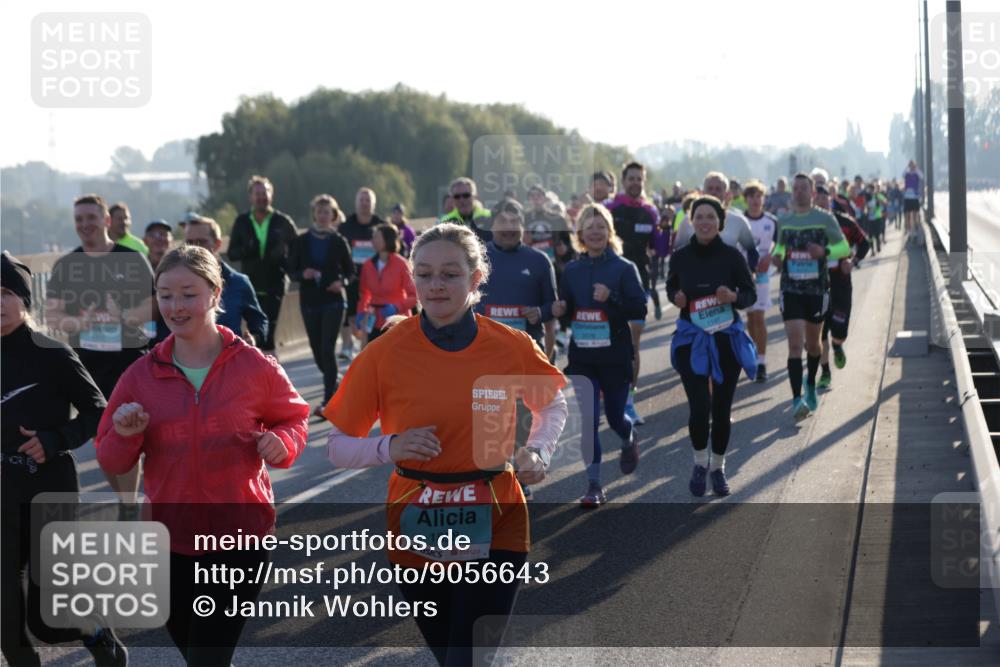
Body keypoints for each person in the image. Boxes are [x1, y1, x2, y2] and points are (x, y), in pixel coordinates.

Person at [323, 222, 567, 667]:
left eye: (450, 274)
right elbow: (336, 445)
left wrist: (539, 450)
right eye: (425, 274)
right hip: (416, 524)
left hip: (496, 516)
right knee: (449, 653)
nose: (436, 285)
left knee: (466, 658)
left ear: (476, 279)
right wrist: (389, 447)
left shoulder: (510, 346)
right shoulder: (384, 352)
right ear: (412, 278)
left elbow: (552, 406)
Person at [95, 245, 309, 666]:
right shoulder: (140, 376)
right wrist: (125, 435)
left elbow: (295, 418)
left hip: (239, 538)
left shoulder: (254, 366)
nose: (175, 306)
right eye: (165, 295)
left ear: (216, 294)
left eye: (188, 294)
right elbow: (111, 460)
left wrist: (283, 442)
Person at [1, 251, 129, 667]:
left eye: (5, 292)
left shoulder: (52, 353)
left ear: (24, 300)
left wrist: (54, 439)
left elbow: (99, 411)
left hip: (48, 489)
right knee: (6, 623)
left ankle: (96, 631)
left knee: (47, 619)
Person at [45, 194, 154, 512]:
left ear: (106, 221)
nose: (85, 224)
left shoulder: (132, 260)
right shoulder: (67, 266)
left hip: (128, 361)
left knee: (127, 432)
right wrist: (83, 321)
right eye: (79, 219)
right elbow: (52, 316)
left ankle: (129, 504)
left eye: (91, 218)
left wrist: (123, 317)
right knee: (103, 439)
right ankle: (126, 503)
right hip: (87, 365)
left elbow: (153, 306)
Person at [551, 204, 646, 507]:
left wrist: (611, 297)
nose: (595, 232)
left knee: (616, 418)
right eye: (589, 227)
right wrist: (561, 309)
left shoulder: (624, 268)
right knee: (589, 420)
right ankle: (594, 485)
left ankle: (628, 436)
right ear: (580, 233)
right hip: (583, 358)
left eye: (600, 227)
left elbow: (639, 308)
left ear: (609, 232)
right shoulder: (572, 270)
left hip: (615, 356)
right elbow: (568, 311)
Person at [667, 197, 758, 496]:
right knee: (699, 407)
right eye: (699, 217)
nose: (705, 222)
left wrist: (733, 297)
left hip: (725, 339)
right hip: (691, 339)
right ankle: (699, 463)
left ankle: (718, 468)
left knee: (720, 409)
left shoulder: (732, 257)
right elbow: (671, 286)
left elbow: (750, 294)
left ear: (720, 222)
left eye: (711, 217)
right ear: (691, 221)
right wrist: (676, 297)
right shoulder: (680, 257)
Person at [771, 173, 851, 422]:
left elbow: (844, 248)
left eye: (803, 188)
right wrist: (777, 256)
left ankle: (811, 383)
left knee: (814, 345)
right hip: (791, 289)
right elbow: (780, 247)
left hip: (817, 290)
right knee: (795, 345)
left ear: (812, 192)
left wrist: (823, 251)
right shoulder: (785, 220)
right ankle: (797, 399)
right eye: (795, 188)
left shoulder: (825, 218)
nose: (798, 192)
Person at [286, 195, 354, 416]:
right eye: (320, 211)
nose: (323, 216)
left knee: (327, 349)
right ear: (314, 214)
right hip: (309, 302)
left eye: (327, 212)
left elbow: (350, 273)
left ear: (333, 215)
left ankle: (328, 401)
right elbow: (291, 270)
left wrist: (341, 282)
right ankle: (335, 381)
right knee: (317, 353)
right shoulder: (302, 240)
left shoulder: (338, 241)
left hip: (333, 302)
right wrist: (302, 274)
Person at [606, 162, 660, 425]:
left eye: (640, 178)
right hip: (609, 284)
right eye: (632, 178)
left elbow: (659, 249)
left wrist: (665, 228)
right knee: (607, 343)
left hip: (638, 285)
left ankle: (629, 402)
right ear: (623, 180)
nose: (636, 182)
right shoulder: (610, 208)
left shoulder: (650, 212)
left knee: (632, 345)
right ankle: (608, 396)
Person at [226, 175, 298, 355]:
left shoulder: (283, 221)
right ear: (250, 197)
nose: (261, 197)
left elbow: (298, 250)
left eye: (264, 193)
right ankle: (260, 364)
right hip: (250, 285)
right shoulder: (242, 222)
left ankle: (270, 366)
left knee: (268, 330)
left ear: (271, 195)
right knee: (254, 331)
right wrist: (247, 248)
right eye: (257, 194)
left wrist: (286, 262)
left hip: (276, 283)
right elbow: (232, 253)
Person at [813, 184, 870, 391]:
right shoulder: (807, 224)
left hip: (841, 284)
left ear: (831, 199)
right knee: (819, 333)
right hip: (816, 285)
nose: (820, 202)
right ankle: (825, 373)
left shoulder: (845, 222)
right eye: (817, 199)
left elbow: (864, 244)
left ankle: (837, 346)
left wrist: (852, 262)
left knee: (839, 332)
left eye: (824, 198)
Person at [182, 215, 269, 347]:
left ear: (217, 244)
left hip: (231, 357)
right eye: (189, 242)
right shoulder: (174, 284)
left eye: (201, 242)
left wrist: (254, 338)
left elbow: (259, 320)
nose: (195, 248)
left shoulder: (238, 282)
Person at [339, 187, 389, 360]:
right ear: (356, 203)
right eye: (361, 200)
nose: (364, 203)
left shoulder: (381, 226)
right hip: (352, 278)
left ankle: (367, 350)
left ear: (373, 204)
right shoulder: (346, 227)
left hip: (376, 280)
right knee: (350, 314)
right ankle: (348, 346)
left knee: (370, 316)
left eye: (368, 200)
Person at [355, 223, 417, 346]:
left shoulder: (402, 264)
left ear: (387, 239)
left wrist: (396, 307)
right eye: (373, 237)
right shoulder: (367, 265)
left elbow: (414, 296)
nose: (373, 241)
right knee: (375, 355)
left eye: (377, 237)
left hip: (397, 321)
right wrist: (361, 311)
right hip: (374, 321)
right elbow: (364, 293)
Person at [742, 180, 778, 381]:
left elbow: (779, 244)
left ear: (763, 199)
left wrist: (769, 257)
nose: (755, 200)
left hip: (763, 274)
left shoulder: (771, 221)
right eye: (751, 197)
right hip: (745, 275)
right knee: (750, 317)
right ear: (746, 199)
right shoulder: (740, 221)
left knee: (759, 317)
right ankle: (755, 355)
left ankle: (762, 363)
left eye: (759, 196)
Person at [143, 220, 175, 344]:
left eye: (163, 234)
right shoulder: (136, 268)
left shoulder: (182, 268)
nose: (159, 238)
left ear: (171, 240)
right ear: (145, 241)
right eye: (153, 235)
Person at [439, 177, 493, 245]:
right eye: (457, 196)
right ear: (452, 199)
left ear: (475, 196)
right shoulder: (446, 221)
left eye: (466, 195)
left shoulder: (490, 217)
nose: (462, 200)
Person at [902, 159, 924, 242]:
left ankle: (915, 232)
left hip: (915, 197)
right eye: (910, 165)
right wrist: (907, 167)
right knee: (907, 216)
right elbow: (902, 174)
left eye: (912, 165)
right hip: (907, 197)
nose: (911, 166)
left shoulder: (916, 173)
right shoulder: (907, 173)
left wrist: (916, 168)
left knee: (915, 215)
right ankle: (909, 232)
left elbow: (922, 176)